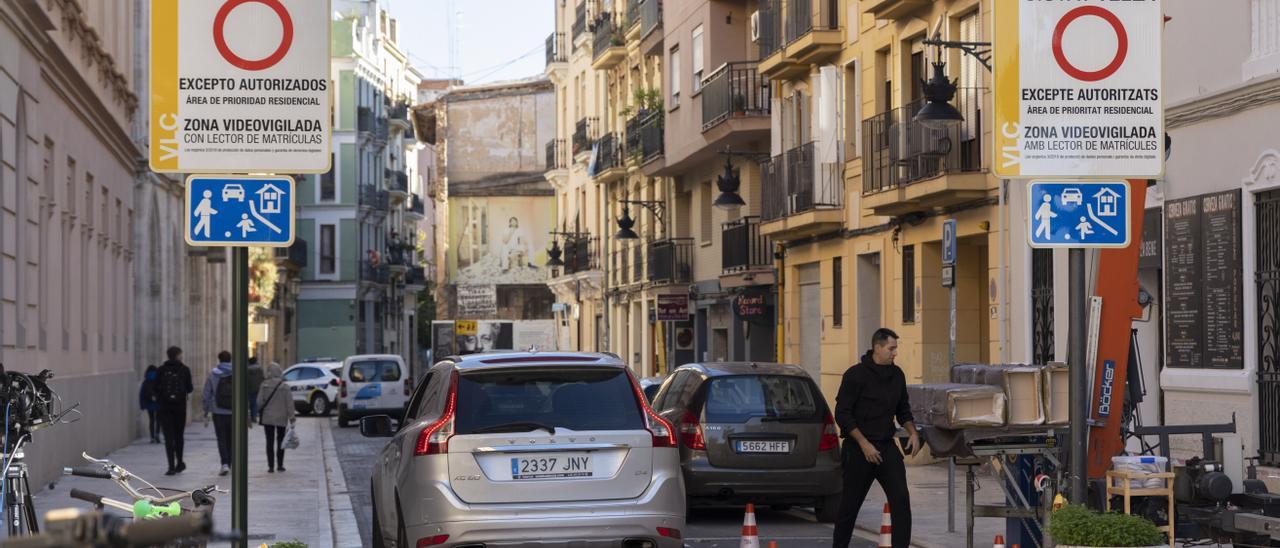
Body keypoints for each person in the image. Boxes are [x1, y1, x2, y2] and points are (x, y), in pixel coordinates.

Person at [832, 328, 922, 548]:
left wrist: (913, 432)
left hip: (886, 447)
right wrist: (864, 444)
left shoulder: (897, 375)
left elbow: (903, 410)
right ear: (877, 348)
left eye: (895, 349)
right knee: (849, 507)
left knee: (901, 501)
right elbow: (842, 414)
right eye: (891, 348)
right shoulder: (855, 375)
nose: (895, 353)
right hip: (858, 448)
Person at [155, 347, 193, 476]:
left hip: (164, 408)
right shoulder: (185, 369)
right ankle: (180, 463)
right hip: (179, 408)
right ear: (178, 355)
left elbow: (155, 388)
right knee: (178, 436)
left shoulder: (161, 370)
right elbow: (190, 388)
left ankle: (170, 466)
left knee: (168, 437)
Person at [256, 362, 296, 473]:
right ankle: (280, 465)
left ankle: (270, 466)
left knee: (269, 441)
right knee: (280, 441)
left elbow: (259, 402)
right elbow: (289, 404)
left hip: (268, 418)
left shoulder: (264, 385)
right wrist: (292, 418)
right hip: (281, 418)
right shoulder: (285, 387)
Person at [202, 351, 236, 476]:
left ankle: (225, 464)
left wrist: (206, 410)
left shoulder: (213, 374)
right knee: (232, 438)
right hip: (234, 412)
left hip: (218, 411)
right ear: (230, 359)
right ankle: (231, 463)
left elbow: (206, 394)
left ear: (219, 359)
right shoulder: (237, 373)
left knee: (221, 438)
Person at [139, 365, 161, 444]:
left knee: (151, 420)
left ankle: (152, 437)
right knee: (158, 420)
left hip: (149, 403)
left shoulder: (146, 381)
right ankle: (157, 434)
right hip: (158, 402)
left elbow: (141, 393)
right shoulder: (159, 379)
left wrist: (142, 405)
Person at [246, 356, 265, 425]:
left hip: (250, 388)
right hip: (259, 388)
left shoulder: (247, 369)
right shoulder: (260, 369)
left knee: (251, 402)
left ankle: (252, 416)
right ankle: (255, 416)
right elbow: (263, 378)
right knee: (257, 402)